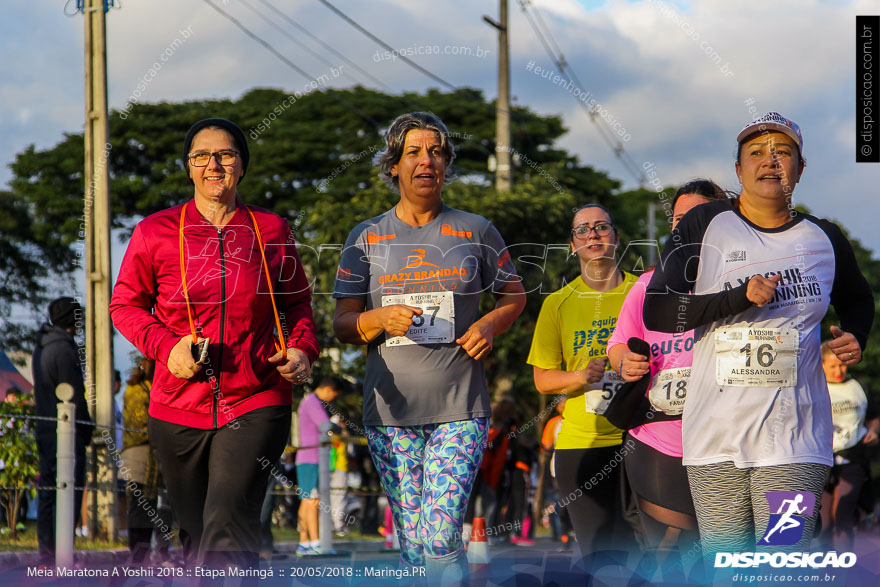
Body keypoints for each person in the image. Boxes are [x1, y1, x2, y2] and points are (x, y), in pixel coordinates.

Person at [644, 112, 875, 555]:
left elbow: (859, 300)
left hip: (796, 436)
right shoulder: (704, 225)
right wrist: (737, 298)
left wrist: (856, 336)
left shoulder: (824, 237)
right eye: (756, 153)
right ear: (738, 170)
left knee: (783, 562)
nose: (769, 161)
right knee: (729, 566)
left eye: (782, 152)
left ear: (800, 169)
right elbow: (658, 311)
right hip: (716, 436)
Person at [109, 118, 319, 569]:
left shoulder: (271, 230)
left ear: (242, 166)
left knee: (227, 515)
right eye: (201, 156)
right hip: (176, 404)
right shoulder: (154, 231)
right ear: (189, 168)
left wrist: (302, 348)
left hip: (256, 396)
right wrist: (169, 349)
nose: (214, 164)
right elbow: (124, 306)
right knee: (197, 530)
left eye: (225, 155)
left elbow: (298, 304)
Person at [332, 112, 525, 582]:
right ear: (393, 166)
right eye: (414, 152)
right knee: (416, 546)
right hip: (390, 413)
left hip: (460, 406)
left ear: (447, 165)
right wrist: (377, 318)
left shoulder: (477, 230)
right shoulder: (366, 237)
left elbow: (514, 294)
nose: (427, 161)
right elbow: (341, 323)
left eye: (437, 152)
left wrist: (489, 325)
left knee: (440, 534)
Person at [607, 180, 728, 562]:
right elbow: (618, 344)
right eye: (678, 219)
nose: (684, 227)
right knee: (666, 550)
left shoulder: (740, 282)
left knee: (712, 552)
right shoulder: (648, 285)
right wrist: (625, 360)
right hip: (657, 432)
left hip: (725, 436)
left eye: (696, 218)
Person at [527, 204, 638, 556]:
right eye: (583, 230)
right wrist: (579, 375)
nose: (592, 234)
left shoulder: (643, 293)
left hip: (642, 440)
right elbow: (543, 380)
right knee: (598, 555)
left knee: (647, 552)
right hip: (582, 443)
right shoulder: (558, 303)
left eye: (602, 227)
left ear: (616, 238)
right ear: (572, 244)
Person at [32, 297, 95, 563]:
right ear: (74, 320)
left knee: (47, 491)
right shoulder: (65, 350)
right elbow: (75, 395)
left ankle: (46, 553)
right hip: (67, 432)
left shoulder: (41, 347)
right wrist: (87, 428)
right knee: (69, 489)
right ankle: (63, 553)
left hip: (44, 426)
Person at [819, 340, 879, 551]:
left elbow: (873, 417)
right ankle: (822, 569)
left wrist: (873, 431)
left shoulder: (858, 387)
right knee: (822, 523)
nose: (839, 370)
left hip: (852, 457)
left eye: (842, 365)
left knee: (842, 514)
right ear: (822, 365)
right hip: (822, 460)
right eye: (832, 366)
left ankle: (844, 571)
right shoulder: (814, 387)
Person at [120, 357, 168, 564]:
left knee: (150, 506)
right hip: (138, 453)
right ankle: (138, 554)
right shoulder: (135, 390)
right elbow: (140, 421)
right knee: (139, 506)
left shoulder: (152, 386)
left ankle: (146, 552)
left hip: (153, 455)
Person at [294, 377, 342, 556]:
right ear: (328, 389)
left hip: (307, 458)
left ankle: (304, 542)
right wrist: (339, 428)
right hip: (312, 458)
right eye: (334, 395)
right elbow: (325, 425)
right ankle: (315, 542)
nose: (333, 399)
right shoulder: (313, 402)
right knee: (312, 501)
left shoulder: (308, 401)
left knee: (307, 500)